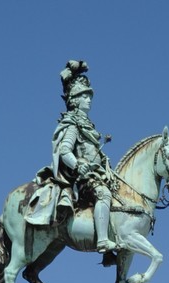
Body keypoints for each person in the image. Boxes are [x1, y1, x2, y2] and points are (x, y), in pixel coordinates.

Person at [50, 60, 115, 254]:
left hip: (98, 174)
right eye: (84, 96)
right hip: (84, 179)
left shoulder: (89, 126)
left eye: (89, 96)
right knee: (104, 194)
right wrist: (78, 165)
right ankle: (103, 241)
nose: (89, 99)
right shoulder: (72, 124)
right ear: (75, 100)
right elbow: (64, 151)